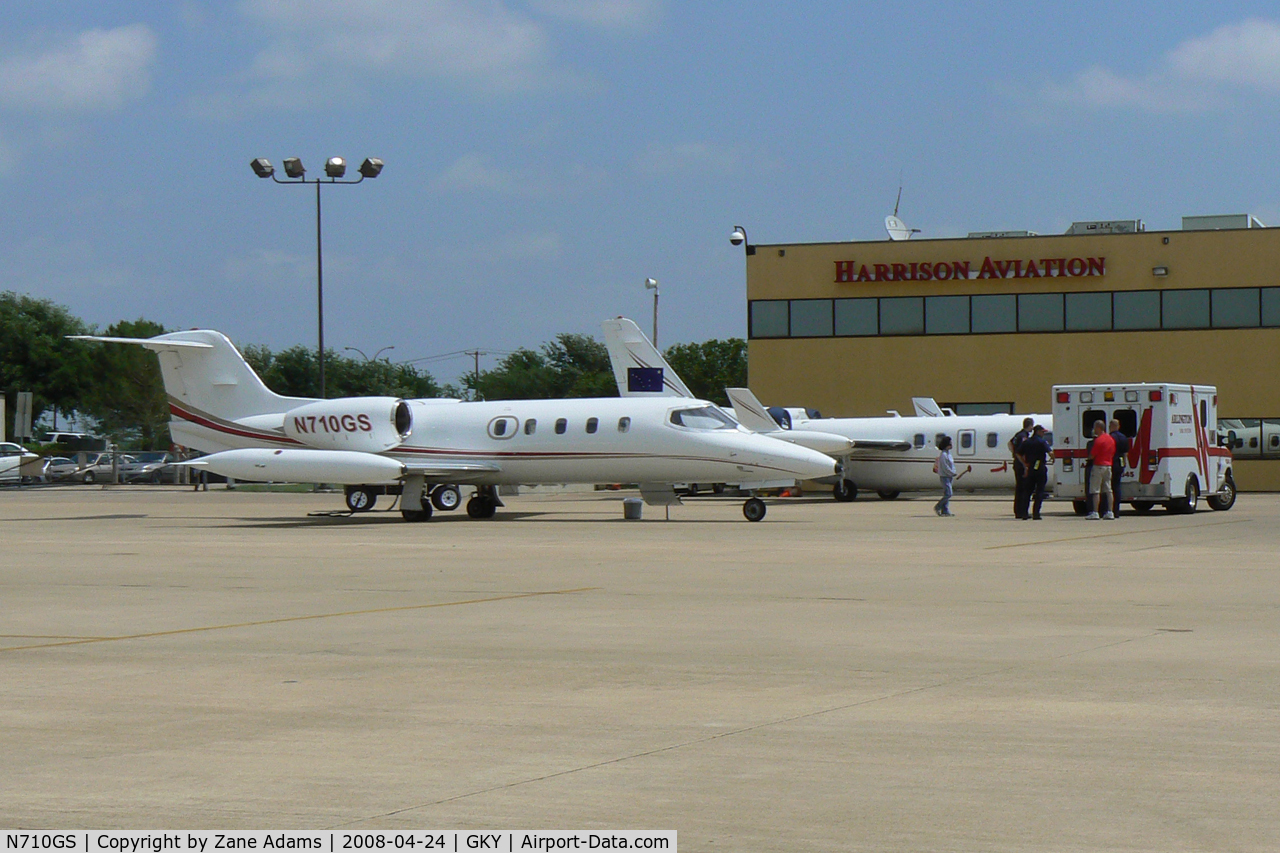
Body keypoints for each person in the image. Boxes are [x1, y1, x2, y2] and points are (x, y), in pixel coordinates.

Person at [1018, 424, 1052, 520]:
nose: (1043, 434)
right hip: (1040, 467)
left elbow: (1018, 453)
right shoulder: (1042, 442)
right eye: (1042, 432)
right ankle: (1036, 513)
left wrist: (1025, 464)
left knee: (1027, 491)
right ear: (1038, 431)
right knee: (1039, 491)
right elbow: (1050, 453)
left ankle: (1024, 513)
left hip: (1031, 468)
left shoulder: (1026, 442)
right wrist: (1053, 459)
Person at [1086, 420, 1116, 520]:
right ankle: (1110, 511)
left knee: (1095, 490)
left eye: (1095, 427)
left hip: (1098, 465)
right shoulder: (1110, 439)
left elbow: (1092, 455)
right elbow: (1113, 452)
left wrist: (1089, 458)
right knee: (1108, 489)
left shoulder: (1099, 440)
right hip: (1108, 465)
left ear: (1098, 428)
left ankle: (1095, 511)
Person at [1009, 416, 1034, 519]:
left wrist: (1013, 454)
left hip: (1016, 463)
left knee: (1019, 488)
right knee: (1023, 489)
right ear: (1030, 426)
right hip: (1021, 465)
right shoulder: (1024, 436)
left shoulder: (1018, 434)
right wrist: (1024, 464)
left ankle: (1018, 511)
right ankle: (1021, 511)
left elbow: (1010, 444)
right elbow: (1022, 452)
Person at [1107, 418, 1131, 517]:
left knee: (1109, 487)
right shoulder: (1124, 438)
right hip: (1120, 463)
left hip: (1112, 462)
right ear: (1119, 426)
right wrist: (1124, 463)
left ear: (1111, 426)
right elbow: (1126, 453)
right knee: (1117, 486)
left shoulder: (1110, 437)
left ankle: (1109, 509)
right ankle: (1117, 510)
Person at [934, 435, 956, 517]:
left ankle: (945, 510)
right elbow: (944, 466)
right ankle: (938, 506)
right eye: (950, 443)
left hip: (949, 476)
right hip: (945, 476)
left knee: (947, 493)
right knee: (948, 494)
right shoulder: (943, 454)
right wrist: (951, 472)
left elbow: (951, 464)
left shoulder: (948, 454)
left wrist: (953, 472)